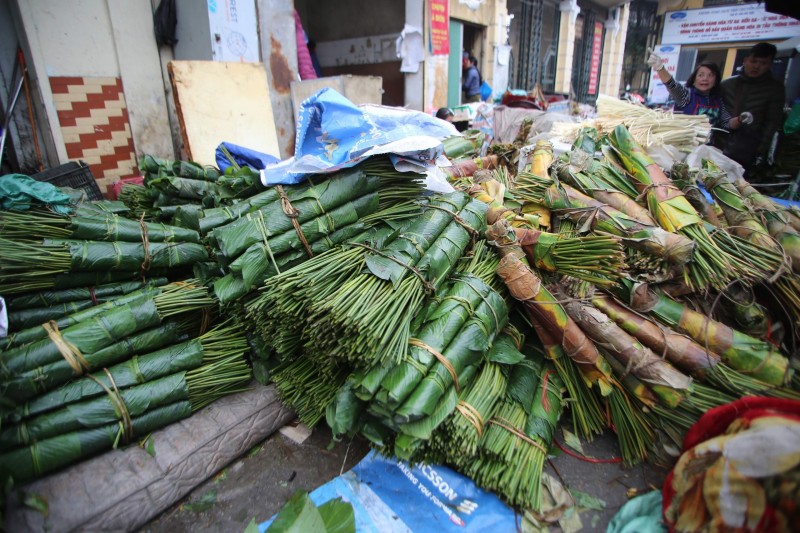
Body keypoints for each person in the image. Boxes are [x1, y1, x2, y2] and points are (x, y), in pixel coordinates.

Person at [647, 51, 749, 136]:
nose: (705, 79)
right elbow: (672, 85)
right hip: (681, 146)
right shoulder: (686, 95)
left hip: (705, 148)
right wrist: (660, 68)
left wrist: (740, 119)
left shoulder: (717, 100)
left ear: (716, 80)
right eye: (701, 75)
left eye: (710, 75)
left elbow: (727, 123)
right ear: (694, 79)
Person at [718, 43, 786, 171]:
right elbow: (715, 111)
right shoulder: (727, 84)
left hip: (747, 150)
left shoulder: (775, 89)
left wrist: (760, 152)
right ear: (745, 61)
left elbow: (772, 123)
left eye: (763, 63)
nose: (756, 66)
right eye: (753, 61)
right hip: (720, 143)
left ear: (770, 64)